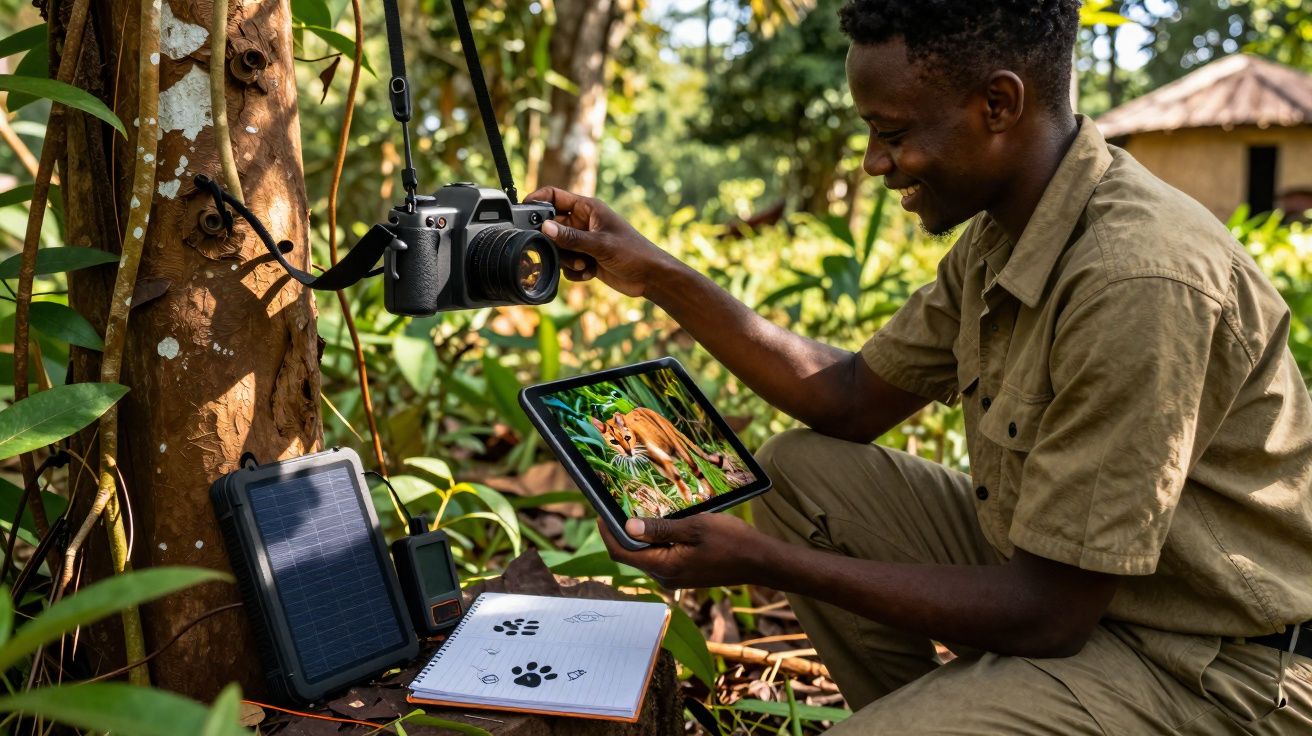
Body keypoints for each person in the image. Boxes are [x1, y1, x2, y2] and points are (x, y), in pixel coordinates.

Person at [526, 0, 1312, 732]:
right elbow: (849, 400)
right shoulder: (1006, 233)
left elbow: (1049, 613)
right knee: (804, 472)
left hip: (1209, 662)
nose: (874, 162)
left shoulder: (1137, 280)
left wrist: (768, 563)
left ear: (998, 106)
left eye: (892, 132)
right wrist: (660, 274)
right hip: (1086, 598)